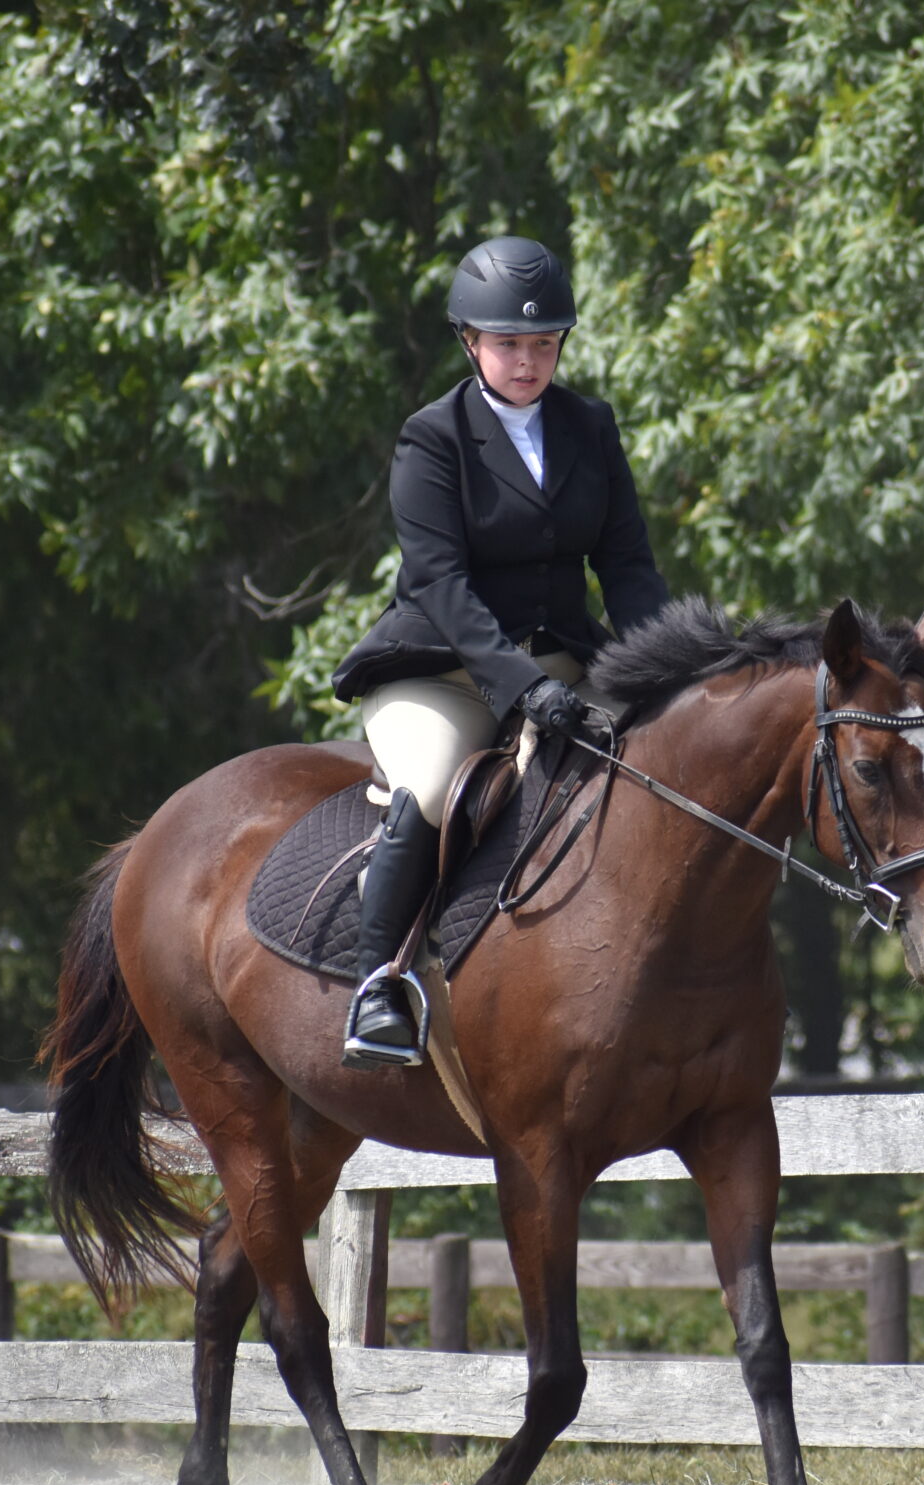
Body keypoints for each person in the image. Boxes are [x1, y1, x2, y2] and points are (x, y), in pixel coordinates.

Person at [328, 235, 670, 1068]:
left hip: (562, 661)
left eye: (543, 342)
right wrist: (519, 689)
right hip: (443, 671)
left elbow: (625, 566)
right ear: (470, 342)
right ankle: (380, 988)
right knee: (433, 789)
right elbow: (442, 585)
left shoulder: (590, 426)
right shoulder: (431, 438)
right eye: (509, 343)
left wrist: (676, 666)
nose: (527, 359)